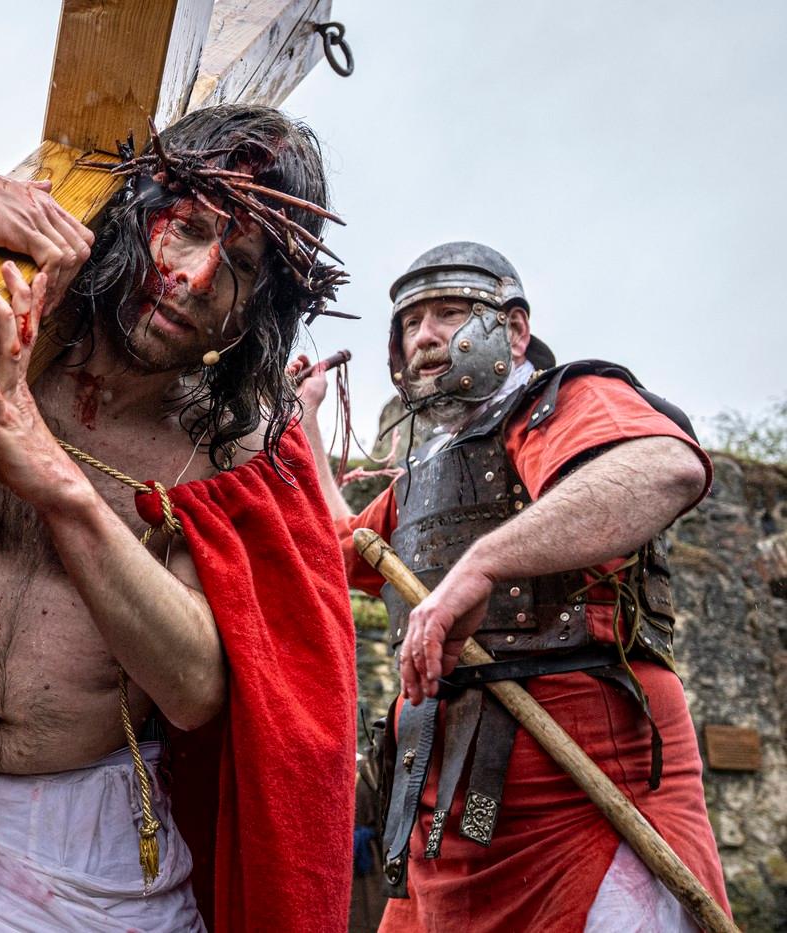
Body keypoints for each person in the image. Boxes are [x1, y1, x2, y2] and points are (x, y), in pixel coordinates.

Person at [0, 104, 358, 931]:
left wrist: (61, 489)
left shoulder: (227, 441)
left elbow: (196, 690)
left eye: (239, 264)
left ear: (262, 310)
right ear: (140, 209)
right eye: (187, 228)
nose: (195, 277)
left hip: (104, 850)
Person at [298, 242, 731, 932]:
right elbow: (342, 549)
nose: (425, 337)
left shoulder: (562, 404)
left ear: (515, 330)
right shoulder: (422, 473)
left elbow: (664, 466)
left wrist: (482, 565)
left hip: (583, 796)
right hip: (444, 804)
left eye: (447, 314)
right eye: (410, 324)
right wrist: (309, 423)